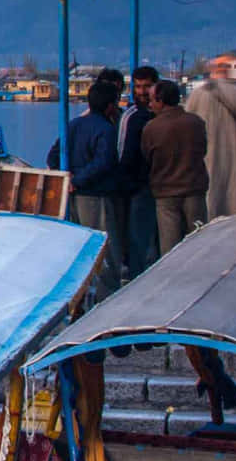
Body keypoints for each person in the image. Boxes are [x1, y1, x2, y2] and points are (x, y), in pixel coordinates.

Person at [66, 78, 125, 293]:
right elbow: (103, 162)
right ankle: (105, 294)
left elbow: (54, 155)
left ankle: (79, 294)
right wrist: (78, 180)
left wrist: (68, 179)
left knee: (80, 247)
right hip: (95, 196)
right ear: (110, 106)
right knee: (102, 247)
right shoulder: (106, 130)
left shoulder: (73, 125)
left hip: (73, 196)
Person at [187, 59, 236, 217]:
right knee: (233, 202)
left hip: (204, 159)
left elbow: (187, 126)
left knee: (209, 203)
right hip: (235, 159)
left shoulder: (197, 95)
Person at [142, 79, 210, 253]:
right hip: (195, 190)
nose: (150, 104)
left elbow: (147, 158)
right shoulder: (196, 122)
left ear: (160, 100)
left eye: (151, 100)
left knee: (170, 249)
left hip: (166, 194)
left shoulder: (152, 128)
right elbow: (203, 150)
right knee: (198, 243)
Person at [117, 65, 161, 279]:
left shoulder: (162, 115)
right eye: (139, 87)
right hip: (139, 189)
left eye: (147, 86)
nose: (143, 91)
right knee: (139, 243)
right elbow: (123, 154)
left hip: (163, 186)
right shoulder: (132, 117)